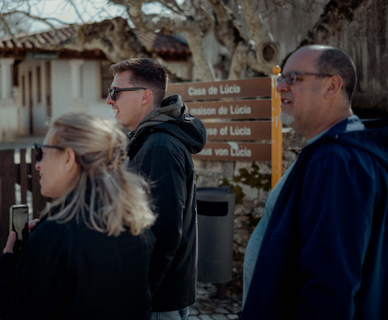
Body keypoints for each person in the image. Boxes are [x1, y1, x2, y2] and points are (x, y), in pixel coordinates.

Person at [242, 45, 388, 319]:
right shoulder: (339, 153)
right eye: (280, 78)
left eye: (293, 78)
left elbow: (329, 286)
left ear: (332, 86)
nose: (280, 87)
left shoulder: (337, 160)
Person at [0, 113, 156, 320]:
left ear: (68, 159)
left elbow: (20, 313)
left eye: (40, 153)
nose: (37, 165)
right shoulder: (134, 219)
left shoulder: (55, 237)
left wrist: (8, 262)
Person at [106, 58, 207, 320]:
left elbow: (163, 231)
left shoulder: (160, 146)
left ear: (145, 96)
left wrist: (137, 294)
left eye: (115, 92)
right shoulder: (150, 139)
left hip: (157, 301)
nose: (109, 100)